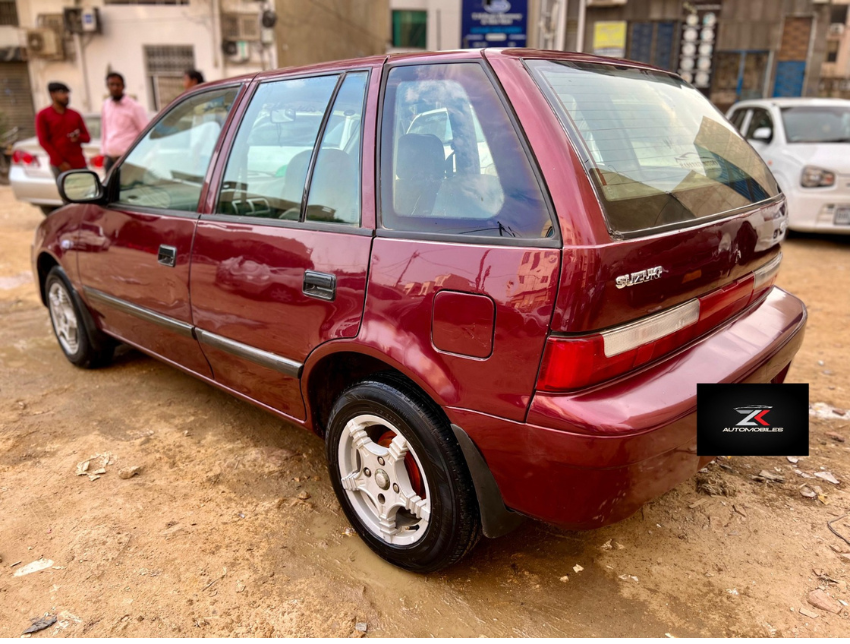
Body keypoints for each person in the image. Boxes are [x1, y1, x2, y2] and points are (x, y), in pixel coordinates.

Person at [35, 82, 90, 181]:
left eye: (67, 93)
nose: (66, 96)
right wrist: (60, 163)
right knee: (67, 194)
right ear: (53, 94)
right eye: (62, 93)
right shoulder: (43, 115)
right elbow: (43, 141)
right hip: (59, 165)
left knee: (87, 193)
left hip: (79, 164)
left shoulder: (75, 114)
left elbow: (87, 138)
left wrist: (78, 137)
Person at [101, 72, 149, 173]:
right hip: (110, 159)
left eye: (118, 85)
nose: (115, 88)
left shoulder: (134, 107)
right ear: (107, 86)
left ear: (123, 86)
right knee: (109, 188)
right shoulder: (106, 105)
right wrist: (104, 152)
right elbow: (105, 130)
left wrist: (143, 157)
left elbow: (146, 132)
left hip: (129, 160)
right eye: (112, 84)